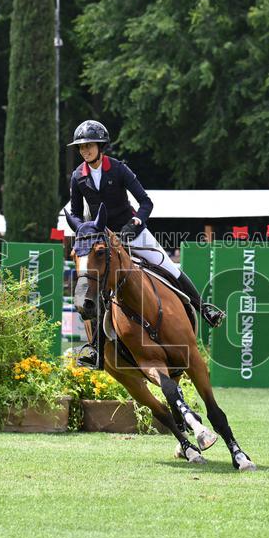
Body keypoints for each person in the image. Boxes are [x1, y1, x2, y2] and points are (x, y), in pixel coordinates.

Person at [66, 119, 225, 368]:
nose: (85, 150)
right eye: (81, 147)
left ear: (100, 146)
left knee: (169, 267)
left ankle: (204, 309)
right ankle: (95, 348)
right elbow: (75, 212)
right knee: (97, 290)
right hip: (105, 241)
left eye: (89, 145)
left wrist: (135, 223)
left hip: (133, 233)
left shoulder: (119, 169)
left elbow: (145, 202)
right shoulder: (78, 176)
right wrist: (85, 229)